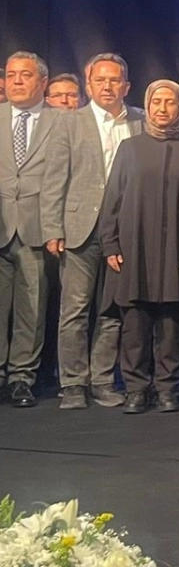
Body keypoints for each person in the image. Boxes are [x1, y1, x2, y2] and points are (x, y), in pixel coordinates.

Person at [99, 81, 179, 414]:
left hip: (177, 248)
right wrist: (110, 243)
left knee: (172, 323)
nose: (162, 108)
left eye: (170, 102)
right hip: (134, 247)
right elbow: (112, 199)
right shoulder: (129, 148)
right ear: (147, 106)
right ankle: (136, 388)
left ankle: (167, 388)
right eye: (156, 101)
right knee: (135, 321)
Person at [55, 52, 144, 410]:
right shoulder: (69, 122)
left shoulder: (140, 120)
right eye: (100, 80)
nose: (107, 86)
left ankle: (103, 380)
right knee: (74, 309)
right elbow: (54, 180)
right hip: (79, 228)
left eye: (114, 80)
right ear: (88, 85)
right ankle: (73, 383)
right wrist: (53, 227)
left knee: (112, 310)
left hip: (123, 230)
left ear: (126, 86)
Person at [1, 51, 70, 407]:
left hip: (38, 228)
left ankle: (21, 378)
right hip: (1, 225)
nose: (16, 81)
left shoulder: (63, 121)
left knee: (32, 308)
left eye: (25, 75)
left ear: (43, 82)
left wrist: (57, 226)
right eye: (11, 74)